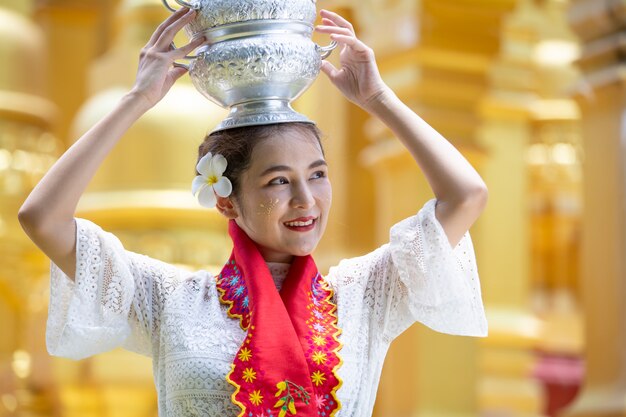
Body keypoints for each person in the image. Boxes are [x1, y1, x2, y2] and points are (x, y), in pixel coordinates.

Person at [18, 6, 489, 417]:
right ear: (225, 198)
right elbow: (43, 219)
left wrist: (378, 100)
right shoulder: (169, 300)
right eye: (278, 181)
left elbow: (466, 196)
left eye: (318, 174)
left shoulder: (365, 294)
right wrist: (136, 99)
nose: (306, 200)